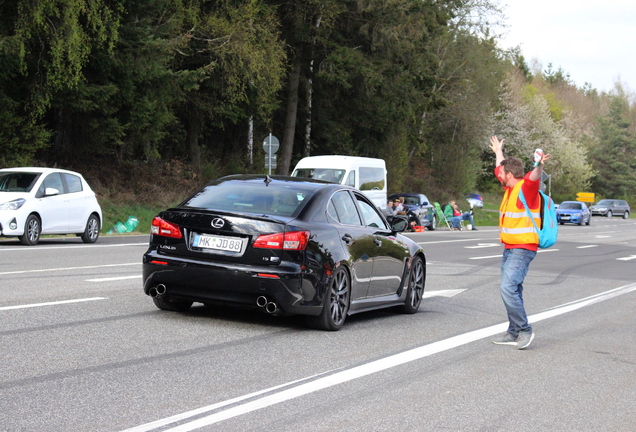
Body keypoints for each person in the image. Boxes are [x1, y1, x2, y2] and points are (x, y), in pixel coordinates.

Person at [489, 135, 550, 350]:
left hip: (523, 248)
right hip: (511, 248)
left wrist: (538, 165)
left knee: (507, 288)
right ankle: (513, 331)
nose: (499, 175)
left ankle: (524, 329)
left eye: (502, 173)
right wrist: (498, 152)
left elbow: (534, 177)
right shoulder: (510, 188)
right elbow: (500, 167)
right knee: (514, 288)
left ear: (511, 175)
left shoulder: (526, 188)